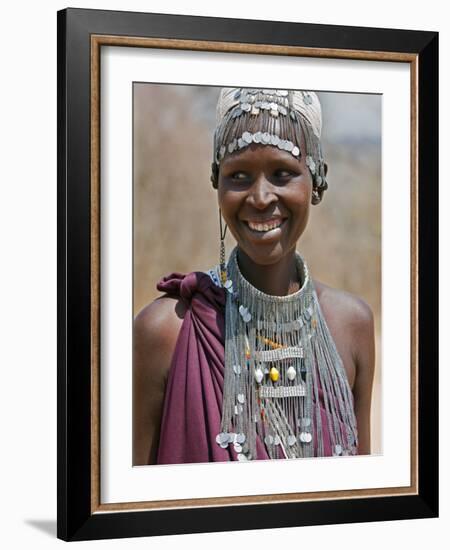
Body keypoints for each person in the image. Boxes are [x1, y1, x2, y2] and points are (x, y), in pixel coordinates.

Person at [133, 87, 375, 465]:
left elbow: (363, 504)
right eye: (239, 176)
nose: (261, 197)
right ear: (217, 183)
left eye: (282, 174)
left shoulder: (351, 325)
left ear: (317, 181)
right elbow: (134, 506)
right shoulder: (166, 331)